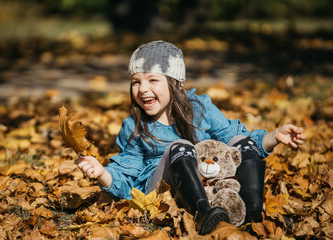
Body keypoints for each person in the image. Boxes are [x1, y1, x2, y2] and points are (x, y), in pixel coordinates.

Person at [75, 41, 305, 235]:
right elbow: (127, 180)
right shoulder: (136, 127)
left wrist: (273, 137)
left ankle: (251, 215)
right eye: (136, 81)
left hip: (210, 184)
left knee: (241, 142)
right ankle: (202, 215)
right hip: (162, 193)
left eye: (152, 80)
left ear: (177, 84)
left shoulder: (200, 108)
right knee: (181, 146)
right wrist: (103, 173)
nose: (143, 89)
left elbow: (237, 140)